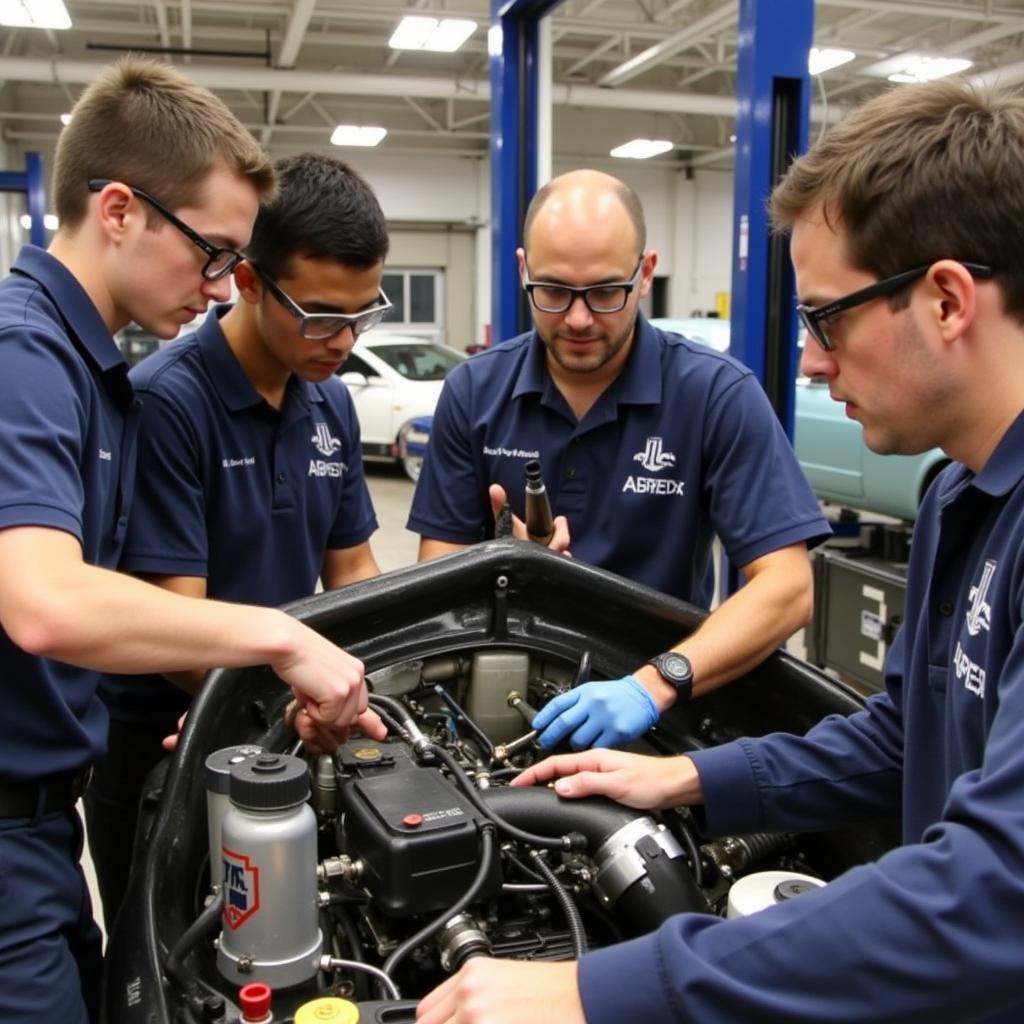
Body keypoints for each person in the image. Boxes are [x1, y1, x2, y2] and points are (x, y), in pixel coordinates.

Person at [415, 79, 1024, 1024]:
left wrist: (601, 990)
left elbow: (996, 887)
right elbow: (901, 741)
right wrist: (687, 778)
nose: (811, 364)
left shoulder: (717, 395)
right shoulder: (959, 498)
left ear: (946, 299)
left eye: (825, 320)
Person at [0, 59, 384, 1024]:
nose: (219, 289)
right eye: (211, 254)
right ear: (120, 210)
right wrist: (282, 644)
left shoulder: (84, 373)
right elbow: (45, 602)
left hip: (41, 831)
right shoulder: (25, 357)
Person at [408, 168, 829, 751]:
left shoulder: (714, 395)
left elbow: (787, 587)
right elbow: (435, 580)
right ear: (523, 270)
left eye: (606, 292)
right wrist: (498, 564)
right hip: (499, 704)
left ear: (646, 272)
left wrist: (654, 684)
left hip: (661, 713)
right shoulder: (474, 392)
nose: (579, 319)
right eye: (553, 291)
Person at [85, 153, 391, 932]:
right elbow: (178, 628)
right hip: (168, 753)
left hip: (288, 721)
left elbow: (355, 570)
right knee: (167, 954)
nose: (344, 340)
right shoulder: (168, 405)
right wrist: (306, 694)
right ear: (249, 281)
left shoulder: (330, 405)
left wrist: (362, 683)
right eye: (322, 315)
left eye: (364, 314)